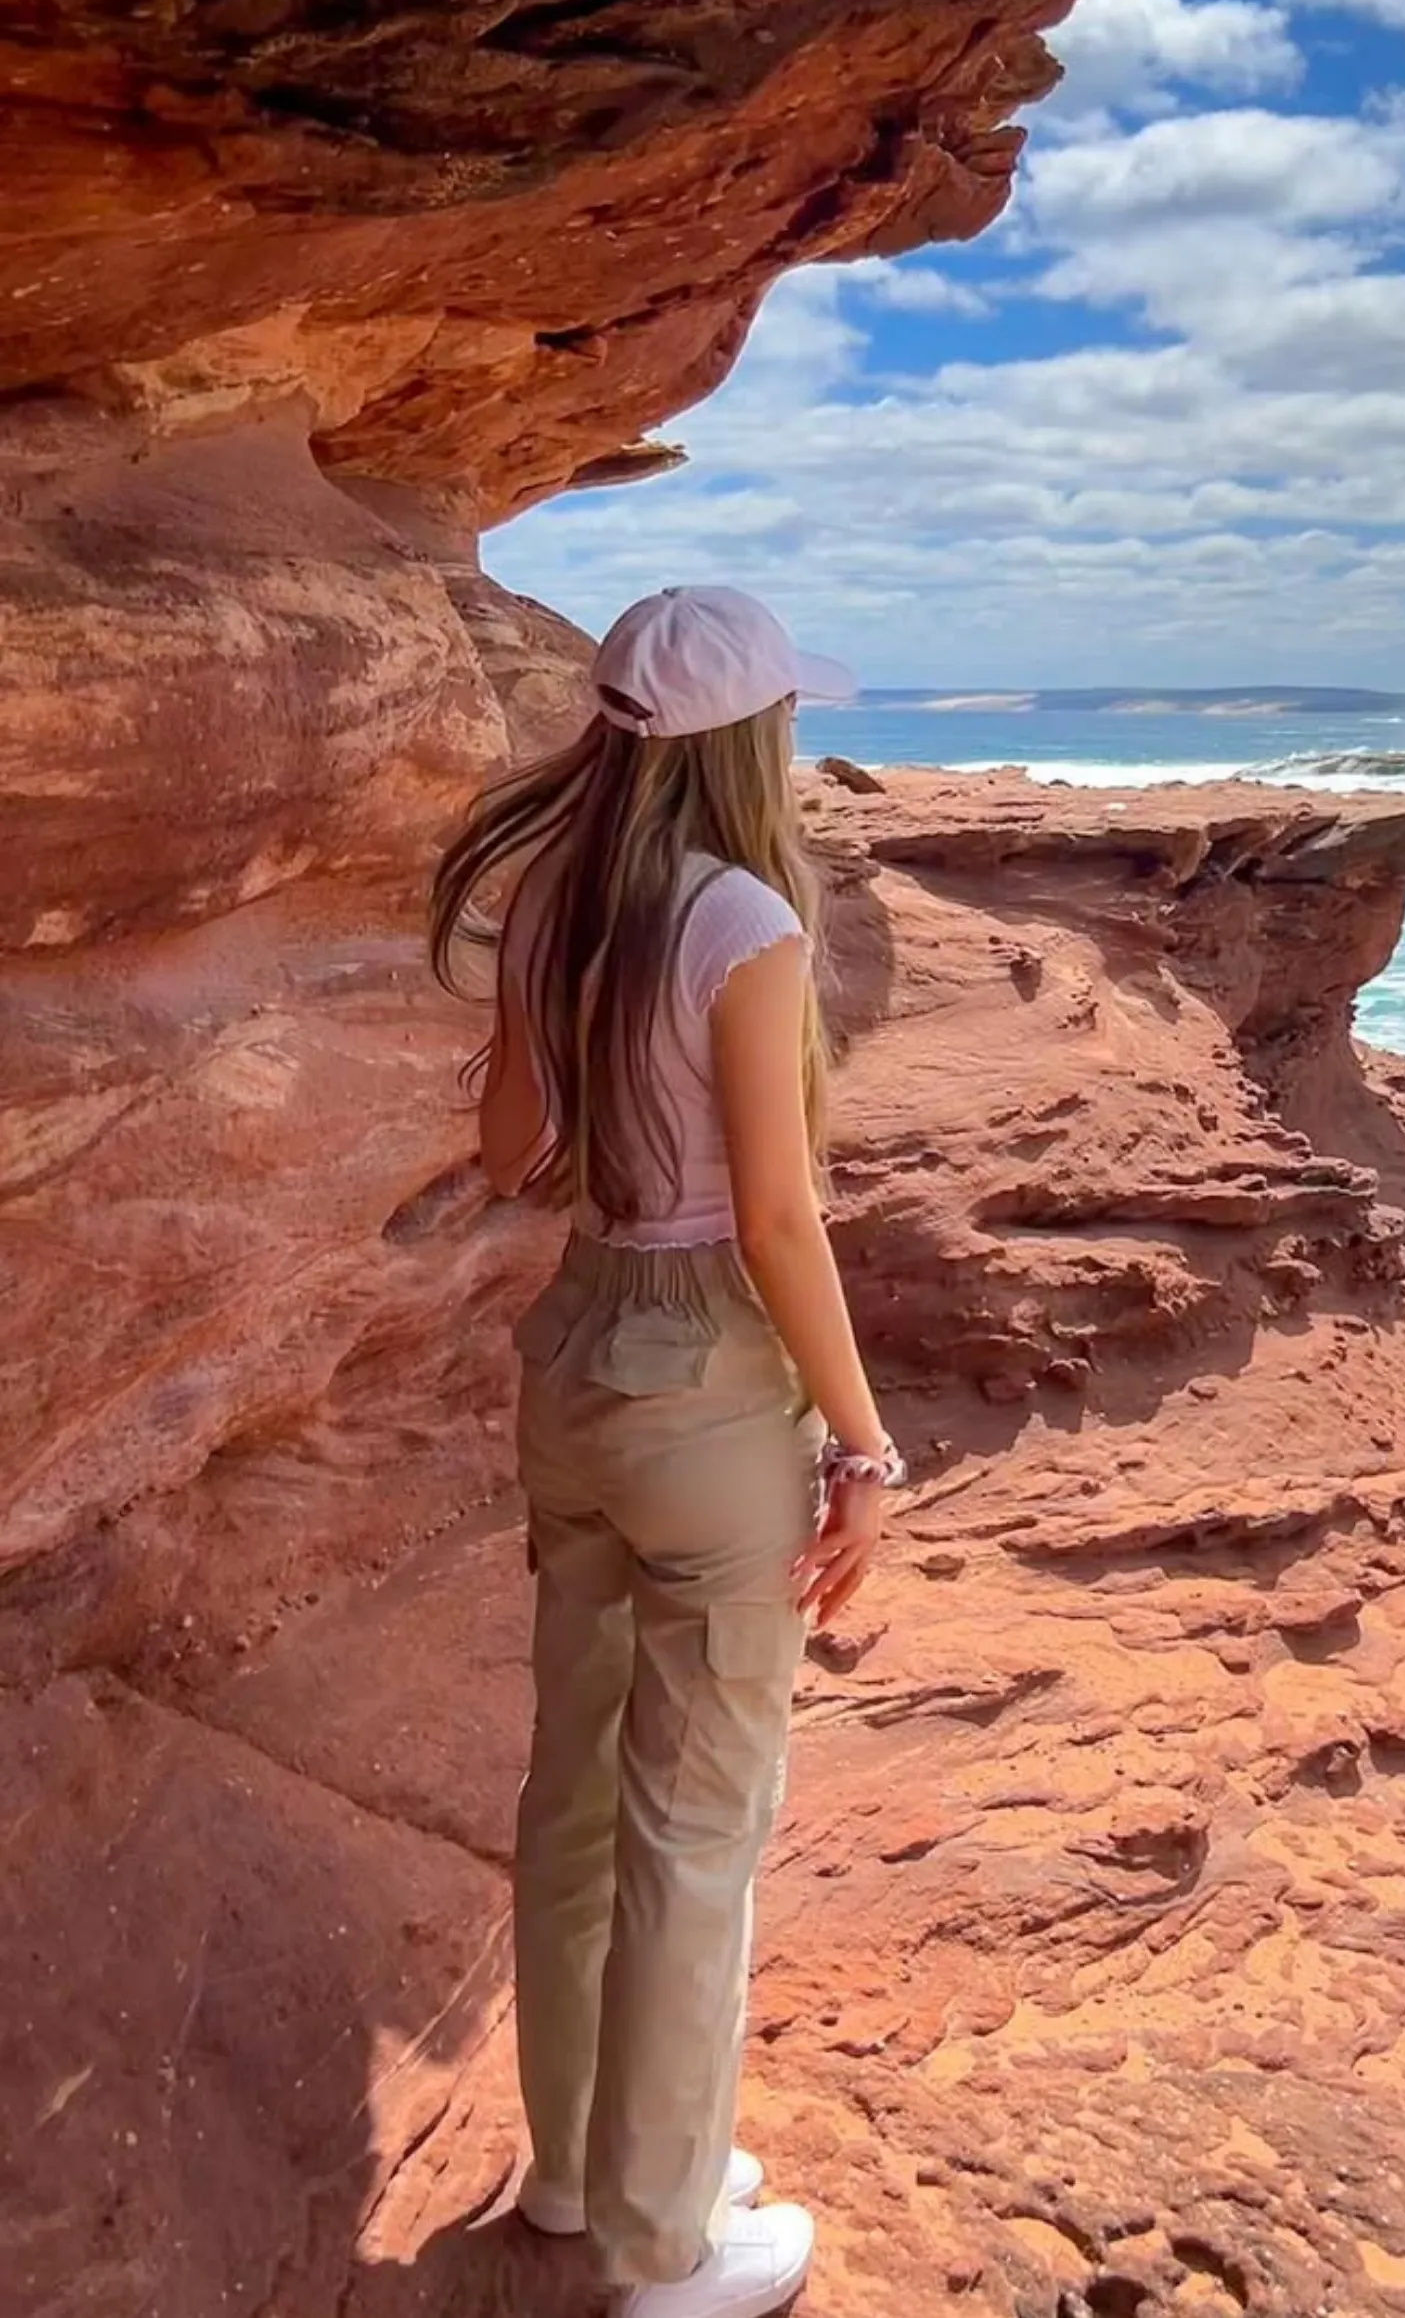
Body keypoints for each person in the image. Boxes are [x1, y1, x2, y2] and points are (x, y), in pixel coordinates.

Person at [429, 585, 902, 2318]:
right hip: (707, 1372)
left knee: (575, 1792)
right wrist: (864, 1452)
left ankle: (585, 2172)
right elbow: (779, 1220)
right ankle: (664, 2247)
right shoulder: (746, 919)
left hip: (574, 1354)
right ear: (746, 739)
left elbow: (505, 1149)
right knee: (695, 1824)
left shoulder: (559, 896)